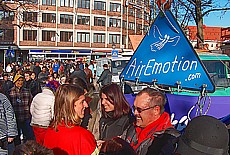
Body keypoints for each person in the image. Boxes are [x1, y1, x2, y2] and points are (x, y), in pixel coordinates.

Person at [121, 87, 180, 155]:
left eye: (139, 110)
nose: (135, 113)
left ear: (156, 110)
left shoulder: (168, 139)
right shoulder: (132, 127)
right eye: (134, 108)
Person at [43, 84, 98, 155]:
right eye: (82, 102)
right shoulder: (83, 136)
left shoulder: (50, 131)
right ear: (71, 106)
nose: (86, 105)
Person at [8, 74, 35, 145]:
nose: (20, 82)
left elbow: (31, 103)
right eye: (18, 81)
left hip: (26, 117)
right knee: (17, 139)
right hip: (15, 118)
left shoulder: (27, 91)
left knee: (29, 137)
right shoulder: (10, 92)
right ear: (15, 81)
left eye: (21, 80)